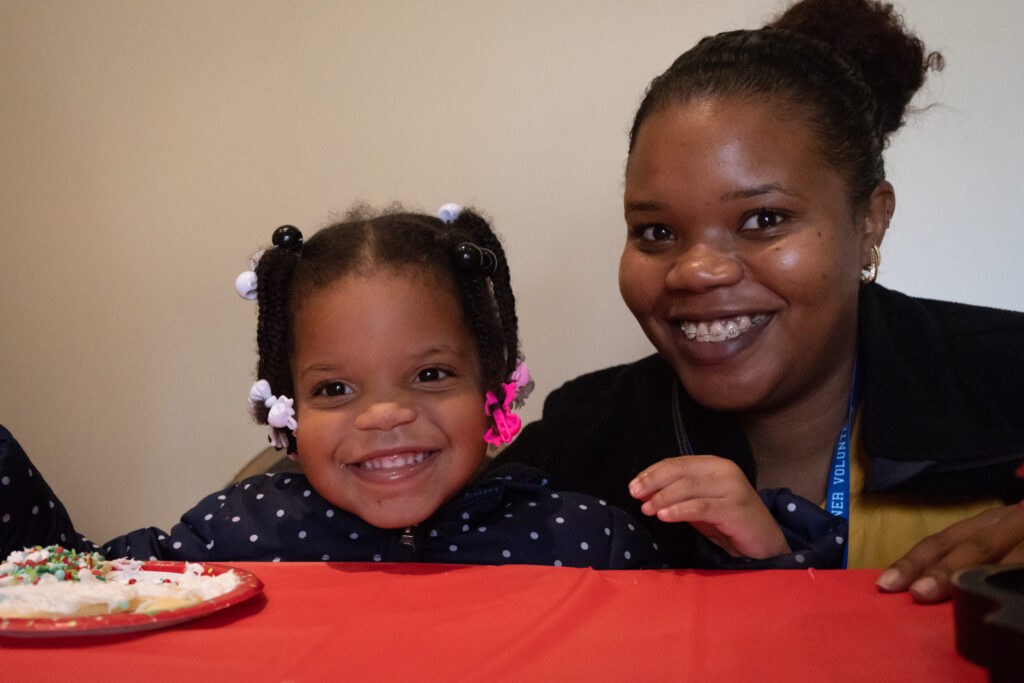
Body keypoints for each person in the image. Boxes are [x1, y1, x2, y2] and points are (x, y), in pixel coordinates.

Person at [491, 0, 1024, 601]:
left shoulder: (1007, 377)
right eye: (655, 232)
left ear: (870, 221)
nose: (695, 271)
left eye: (763, 219)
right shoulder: (582, 440)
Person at [1, 204, 670, 569]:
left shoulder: (583, 539)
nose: (383, 414)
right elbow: (76, 585)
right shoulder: (236, 532)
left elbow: (721, 638)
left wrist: (763, 545)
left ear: (492, 382)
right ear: (286, 406)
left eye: (430, 375)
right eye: (335, 389)